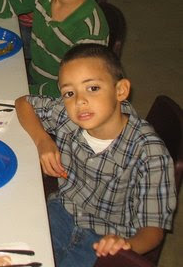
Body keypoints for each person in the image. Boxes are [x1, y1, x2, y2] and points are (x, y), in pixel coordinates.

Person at [15, 44, 177, 267]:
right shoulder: (66, 115)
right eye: (69, 93)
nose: (79, 101)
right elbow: (23, 103)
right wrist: (42, 140)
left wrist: (127, 245)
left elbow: (153, 229)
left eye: (92, 88)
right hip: (63, 210)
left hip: (108, 237)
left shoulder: (150, 152)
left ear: (120, 90)